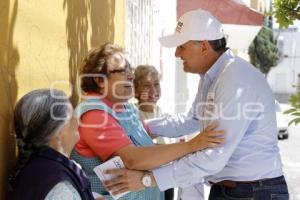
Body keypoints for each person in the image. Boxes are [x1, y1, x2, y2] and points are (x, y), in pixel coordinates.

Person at [104, 9, 289, 200]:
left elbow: (213, 155)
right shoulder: (213, 76)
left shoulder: (234, 79)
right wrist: (143, 127)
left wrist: (147, 179)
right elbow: (192, 120)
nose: (176, 53)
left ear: (203, 47)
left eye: (181, 47)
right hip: (234, 190)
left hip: (255, 193)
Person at [70, 43, 225, 200]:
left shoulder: (124, 107)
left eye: (130, 69)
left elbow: (147, 147)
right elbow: (133, 158)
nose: (131, 76)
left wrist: (187, 151)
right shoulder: (95, 114)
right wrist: (191, 145)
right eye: (122, 71)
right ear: (99, 80)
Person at [8, 89, 101, 200]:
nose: (77, 121)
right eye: (72, 117)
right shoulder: (59, 187)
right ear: (59, 130)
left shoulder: (40, 166)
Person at [134, 64, 174, 200]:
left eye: (156, 84)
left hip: (168, 180)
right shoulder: (132, 117)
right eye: (146, 85)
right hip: (144, 184)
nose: (153, 90)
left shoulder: (166, 117)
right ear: (136, 91)